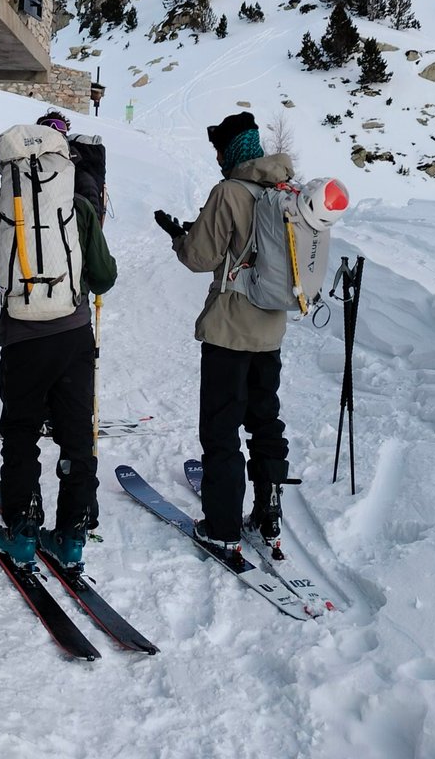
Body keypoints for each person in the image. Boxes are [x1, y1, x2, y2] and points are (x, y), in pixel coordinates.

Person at [0, 125, 118, 570]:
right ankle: (72, 535)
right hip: (72, 336)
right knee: (76, 437)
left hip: (21, 339)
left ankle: (22, 531)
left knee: (21, 436)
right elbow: (105, 276)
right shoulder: (76, 205)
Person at [153, 111, 293, 549]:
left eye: (218, 149)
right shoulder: (285, 191)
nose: (216, 157)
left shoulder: (229, 192)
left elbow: (199, 258)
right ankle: (269, 514)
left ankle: (222, 527)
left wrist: (180, 237)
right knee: (264, 423)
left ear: (229, 150)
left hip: (229, 333)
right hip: (270, 332)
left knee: (221, 429)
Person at [36, 109, 107, 222]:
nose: (54, 128)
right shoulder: (31, 163)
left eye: (59, 126)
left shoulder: (76, 169)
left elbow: (90, 206)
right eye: (47, 127)